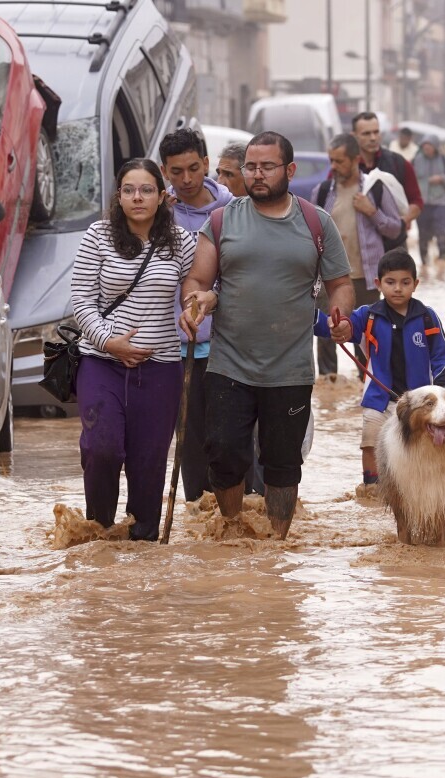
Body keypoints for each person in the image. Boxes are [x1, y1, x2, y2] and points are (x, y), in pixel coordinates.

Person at [180, 131, 356, 541]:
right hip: (229, 365)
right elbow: (198, 280)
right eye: (251, 167)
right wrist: (197, 302)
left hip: (290, 369)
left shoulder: (316, 222)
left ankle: (276, 544)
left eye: (267, 167)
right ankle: (233, 529)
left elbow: (341, 284)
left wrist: (340, 317)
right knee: (223, 455)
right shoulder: (222, 221)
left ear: (289, 170)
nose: (257, 175)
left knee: (282, 464)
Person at [70, 159, 196, 540]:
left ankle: (143, 543)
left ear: (162, 196)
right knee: (101, 448)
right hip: (100, 362)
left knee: (150, 462)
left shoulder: (182, 241)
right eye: (128, 190)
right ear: (119, 195)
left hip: (160, 369)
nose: (137, 197)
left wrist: (194, 307)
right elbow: (81, 301)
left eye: (146, 190)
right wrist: (110, 342)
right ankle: (100, 533)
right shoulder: (98, 235)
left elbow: (201, 287)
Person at [158, 128, 250, 501]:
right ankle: (199, 513)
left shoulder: (236, 211)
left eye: (194, 168)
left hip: (229, 344)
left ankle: (240, 508)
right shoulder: (156, 214)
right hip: (174, 346)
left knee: (232, 436)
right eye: (177, 171)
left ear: (207, 164)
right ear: (164, 171)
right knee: (189, 438)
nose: (187, 179)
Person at [322, 248, 445, 499]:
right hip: (378, 399)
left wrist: (443, 385)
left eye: (405, 282)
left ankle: (416, 491)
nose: (398, 288)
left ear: (415, 284)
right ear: (377, 284)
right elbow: (346, 328)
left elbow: (441, 354)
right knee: (370, 443)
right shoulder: (368, 315)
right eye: (390, 282)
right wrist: (334, 324)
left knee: (418, 446)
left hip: (418, 404)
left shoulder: (427, 317)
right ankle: (372, 490)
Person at [313, 132, 401, 378]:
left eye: (339, 161)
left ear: (355, 159)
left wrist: (372, 211)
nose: (333, 166)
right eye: (331, 160)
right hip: (329, 278)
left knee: (366, 336)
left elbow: (395, 228)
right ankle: (329, 387)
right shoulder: (321, 192)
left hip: (366, 277)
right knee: (326, 336)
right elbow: (309, 232)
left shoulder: (375, 189)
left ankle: (367, 384)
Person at [351, 112, 423, 242]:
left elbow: (417, 202)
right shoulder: (347, 167)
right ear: (354, 136)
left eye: (376, 132)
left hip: (394, 245)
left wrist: (401, 222)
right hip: (358, 244)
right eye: (366, 134)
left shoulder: (398, 163)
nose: (373, 138)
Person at [412, 136, 445, 267]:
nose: (427, 148)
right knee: (423, 234)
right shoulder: (416, 160)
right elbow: (408, 177)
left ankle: (442, 260)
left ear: (435, 148)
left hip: (440, 202)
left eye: (429, 146)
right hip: (422, 202)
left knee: (441, 231)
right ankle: (424, 263)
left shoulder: (443, 159)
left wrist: (441, 178)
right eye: (424, 146)